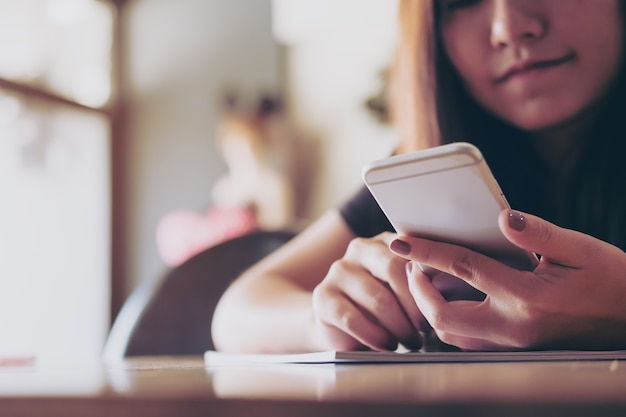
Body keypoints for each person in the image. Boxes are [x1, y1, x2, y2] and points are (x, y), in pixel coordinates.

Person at [211, 0, 626, 353]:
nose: (509, 28)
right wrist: (326, 318)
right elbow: (236, 313)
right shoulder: (435, 161)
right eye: (461, 1)